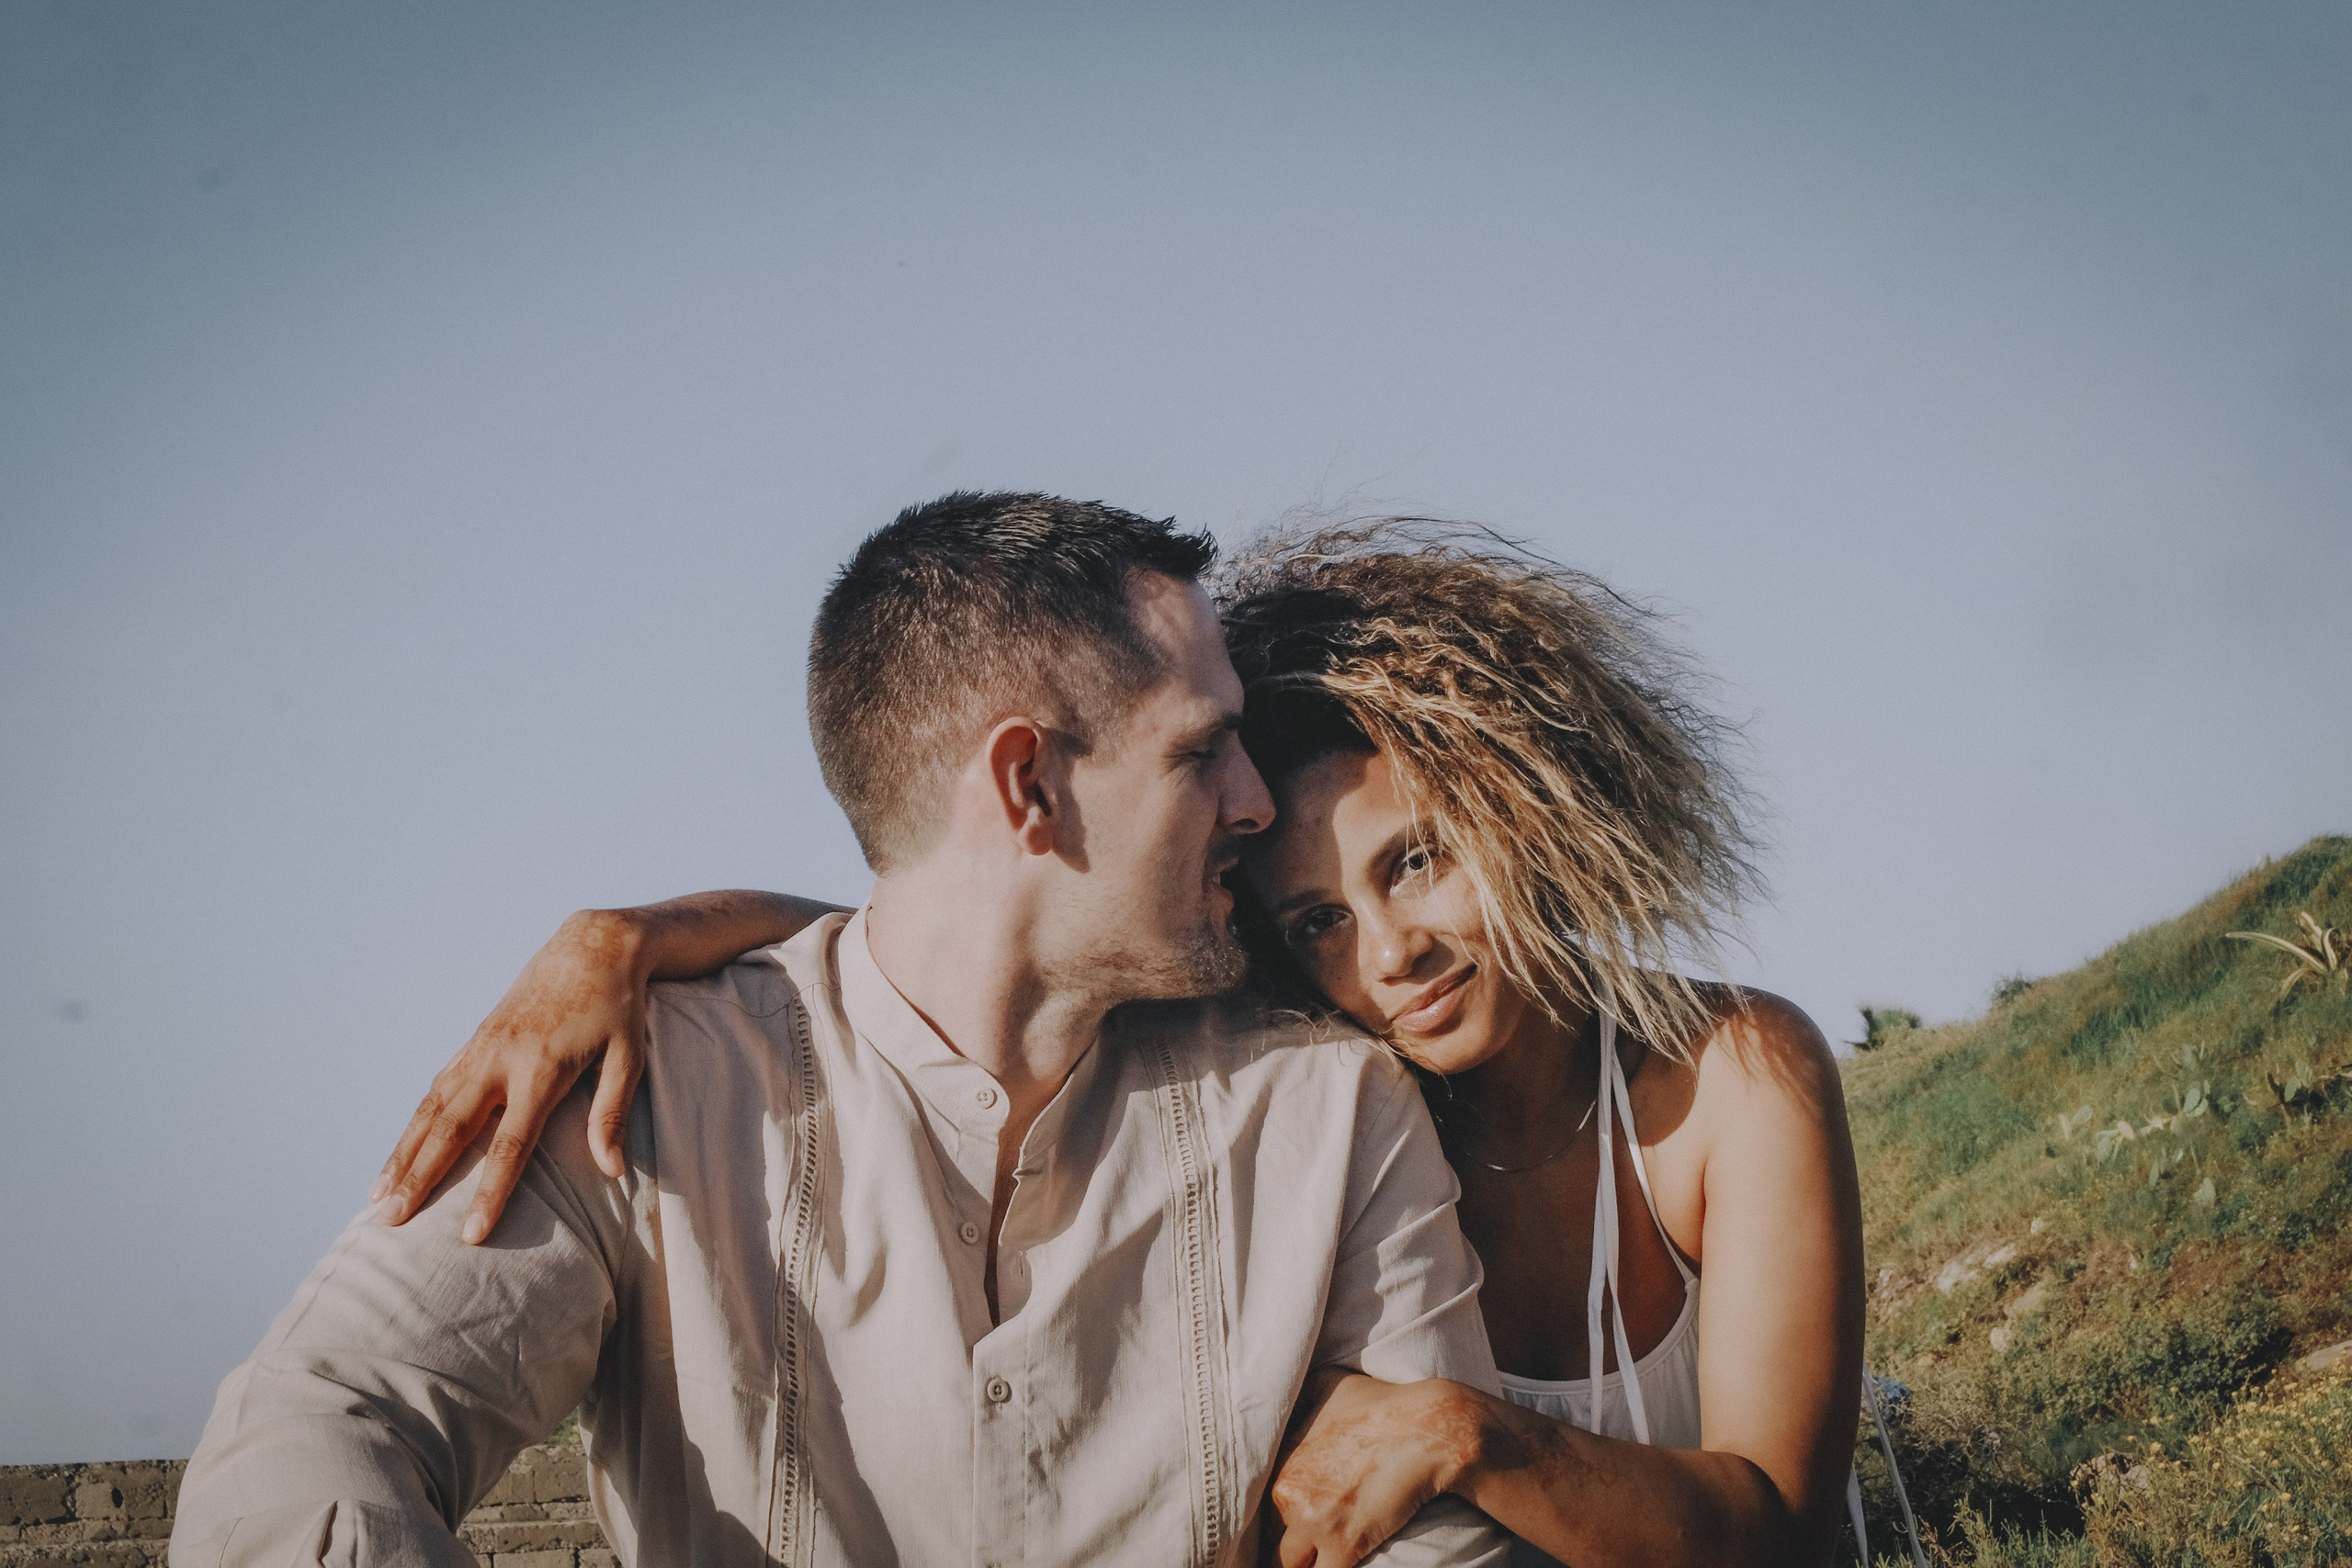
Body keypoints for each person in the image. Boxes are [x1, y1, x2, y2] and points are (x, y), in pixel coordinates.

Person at [375, 518, 1868, 1568]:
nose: (1389, 952)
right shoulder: (1316, 1088)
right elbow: (948, 939)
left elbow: (1785, 1536)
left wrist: (1475, 1437)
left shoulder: (1731, 1079)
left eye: (1413, 862)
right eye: (1313, 924)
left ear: (1522, 815)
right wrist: (629, 935)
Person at [174, 495, 1510, 1568]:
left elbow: (1432, 1540)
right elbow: (318, 1427)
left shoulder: (1333, 1112)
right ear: (1029, 784)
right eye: (1199, 750)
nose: (1256, 799)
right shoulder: (641, 1086)